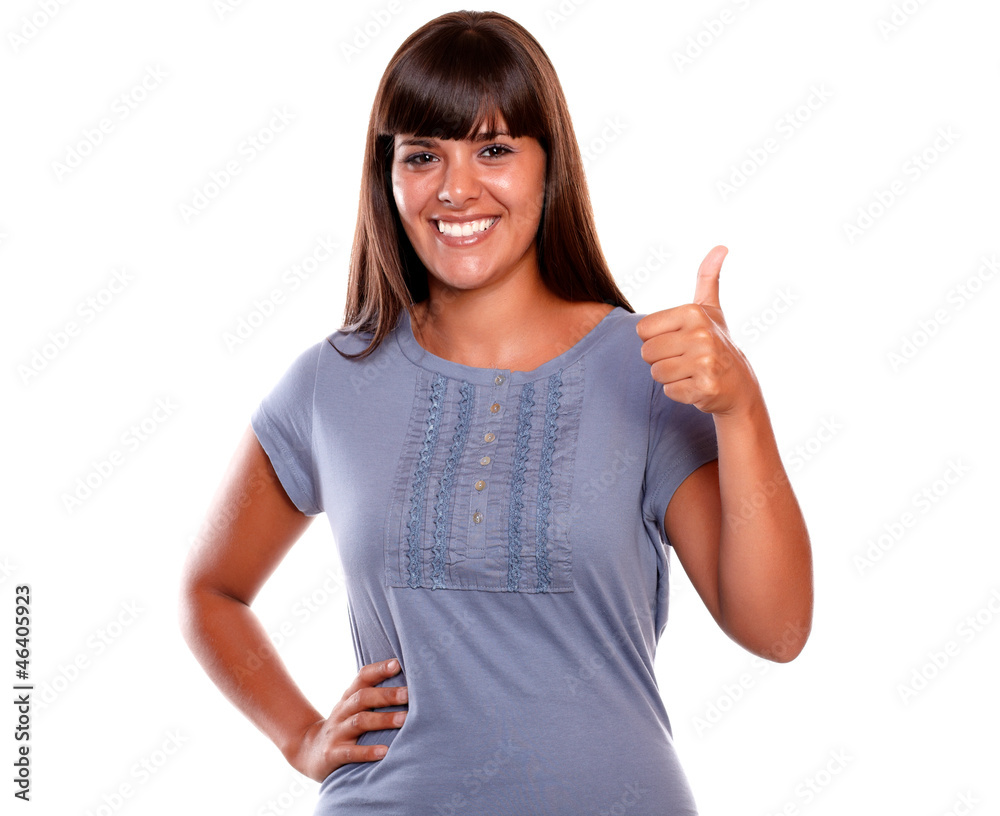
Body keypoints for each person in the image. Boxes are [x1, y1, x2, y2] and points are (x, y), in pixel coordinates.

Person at [179, 10, 813, 815]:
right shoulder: (332, 383)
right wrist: (301, 736)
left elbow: (777, 630)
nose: (455, 189)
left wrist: (741, 408)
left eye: (494, 148)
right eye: (422, 156)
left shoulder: (647, 369)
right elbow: (210, 589)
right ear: (388, 177)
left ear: (551, 165)